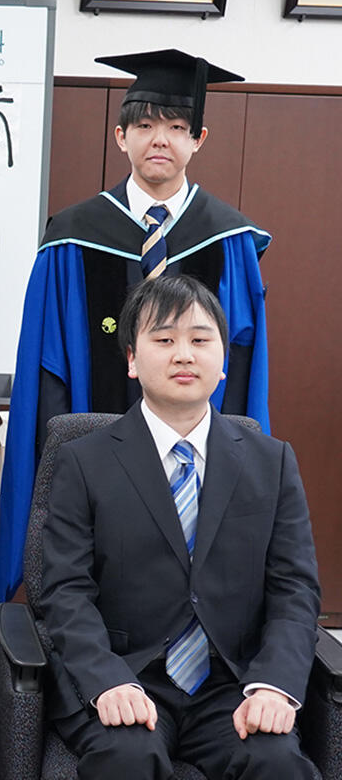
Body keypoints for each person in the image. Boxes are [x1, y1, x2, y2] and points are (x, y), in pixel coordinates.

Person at [0, 49, 272, 665]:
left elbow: (245, 369)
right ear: (121, 137)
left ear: (199, 139)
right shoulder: (72, 235)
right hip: (100, 465)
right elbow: (49, 370)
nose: (159, 140)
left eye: (176, 127)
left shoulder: (230, 240)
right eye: (145, 125)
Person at [38, 275, 319, 779]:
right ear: (131, 359)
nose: (183, 355)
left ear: (223, 359)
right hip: (127, 676)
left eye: (200, 339)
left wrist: (274, 683)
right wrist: (106, 680)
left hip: (231, 684)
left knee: (275, 762)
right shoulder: (84, 460)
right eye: (164, 340)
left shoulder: (270, 461)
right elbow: (64, 590)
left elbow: (294, 588)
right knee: (126, 759)